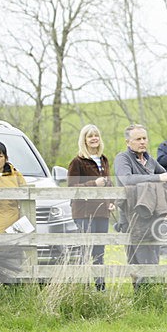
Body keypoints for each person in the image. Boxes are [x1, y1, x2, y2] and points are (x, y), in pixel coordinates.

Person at [114, 124, 167, 286]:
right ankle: (141, 297)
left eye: (144, 138)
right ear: (128, 142)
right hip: (131, 217)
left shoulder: (150, 160)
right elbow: (127, 179)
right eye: (138, 139)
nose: (142, 142)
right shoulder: (123, 158)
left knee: (153, 257)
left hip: (152, 216)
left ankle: (154, 295)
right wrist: (157, 179)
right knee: (138, 261)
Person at [67, 124, 114, 291]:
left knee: (99, 251)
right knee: (86, 250)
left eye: (96, 135)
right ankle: (84, 287)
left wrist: (111, 200)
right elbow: (72, 187)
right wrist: (93, 183)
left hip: (102, 211)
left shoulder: (104, 159)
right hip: (84, 212)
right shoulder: (77, 161)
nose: (94, 138)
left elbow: (109, 183)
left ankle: (100, 287)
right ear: (84, 140)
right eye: (90, 136)